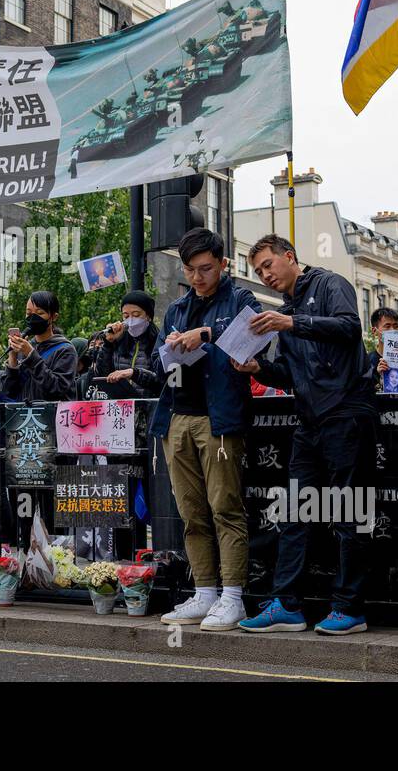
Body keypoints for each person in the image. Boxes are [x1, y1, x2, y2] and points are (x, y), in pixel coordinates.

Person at [240, 234, 379, 636]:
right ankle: (286, 605)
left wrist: (292, 322)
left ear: (290, 256)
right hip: (309, 421)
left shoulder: (330, 284)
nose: (265, 275)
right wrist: (258, 371)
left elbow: (350, 328)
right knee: (296, 512)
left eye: (268, 265)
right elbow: (284, 373)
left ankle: (350, 608)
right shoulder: (284, 314)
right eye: (258, 271)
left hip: (348, 413)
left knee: (349, 512)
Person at [152, 228, 259, 631]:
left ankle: (233, 598)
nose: (198, 277)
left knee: (225, 508)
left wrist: (207, 335)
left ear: (223, 264)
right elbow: (158, 358)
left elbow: (252, 336)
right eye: (191, 270)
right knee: (191, 512)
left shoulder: (240, 298)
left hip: (219, 418)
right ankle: (206, 593)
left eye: (206, 269)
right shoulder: (177, 307)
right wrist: (175, 346)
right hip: (176, 417)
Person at [1, 291, 77, 402]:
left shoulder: (65, 350)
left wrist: (31, 355)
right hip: (25, 416)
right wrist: (12, 358)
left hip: (51, 416)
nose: (33, 318)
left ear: (54, 317)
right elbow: (8, 392)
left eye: (40, 313)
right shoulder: (24, 347)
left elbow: (57, 388)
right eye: (28, 313)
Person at [94, 290, 164, 400]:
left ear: (149, 316)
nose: (131, 320)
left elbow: (162, 381)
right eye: (126, 316)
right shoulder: (119, 341)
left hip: (149, 407)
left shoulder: (160, 341)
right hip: (121, 408)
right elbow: (102, 374)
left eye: (136, 315)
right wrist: (108, 343)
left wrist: (134, 374)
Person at [368, 307, 398, 387]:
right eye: (387, 326)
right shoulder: (367, 362)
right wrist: (377, 375)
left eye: (395, 326)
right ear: (374, 331)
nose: (392, 330)